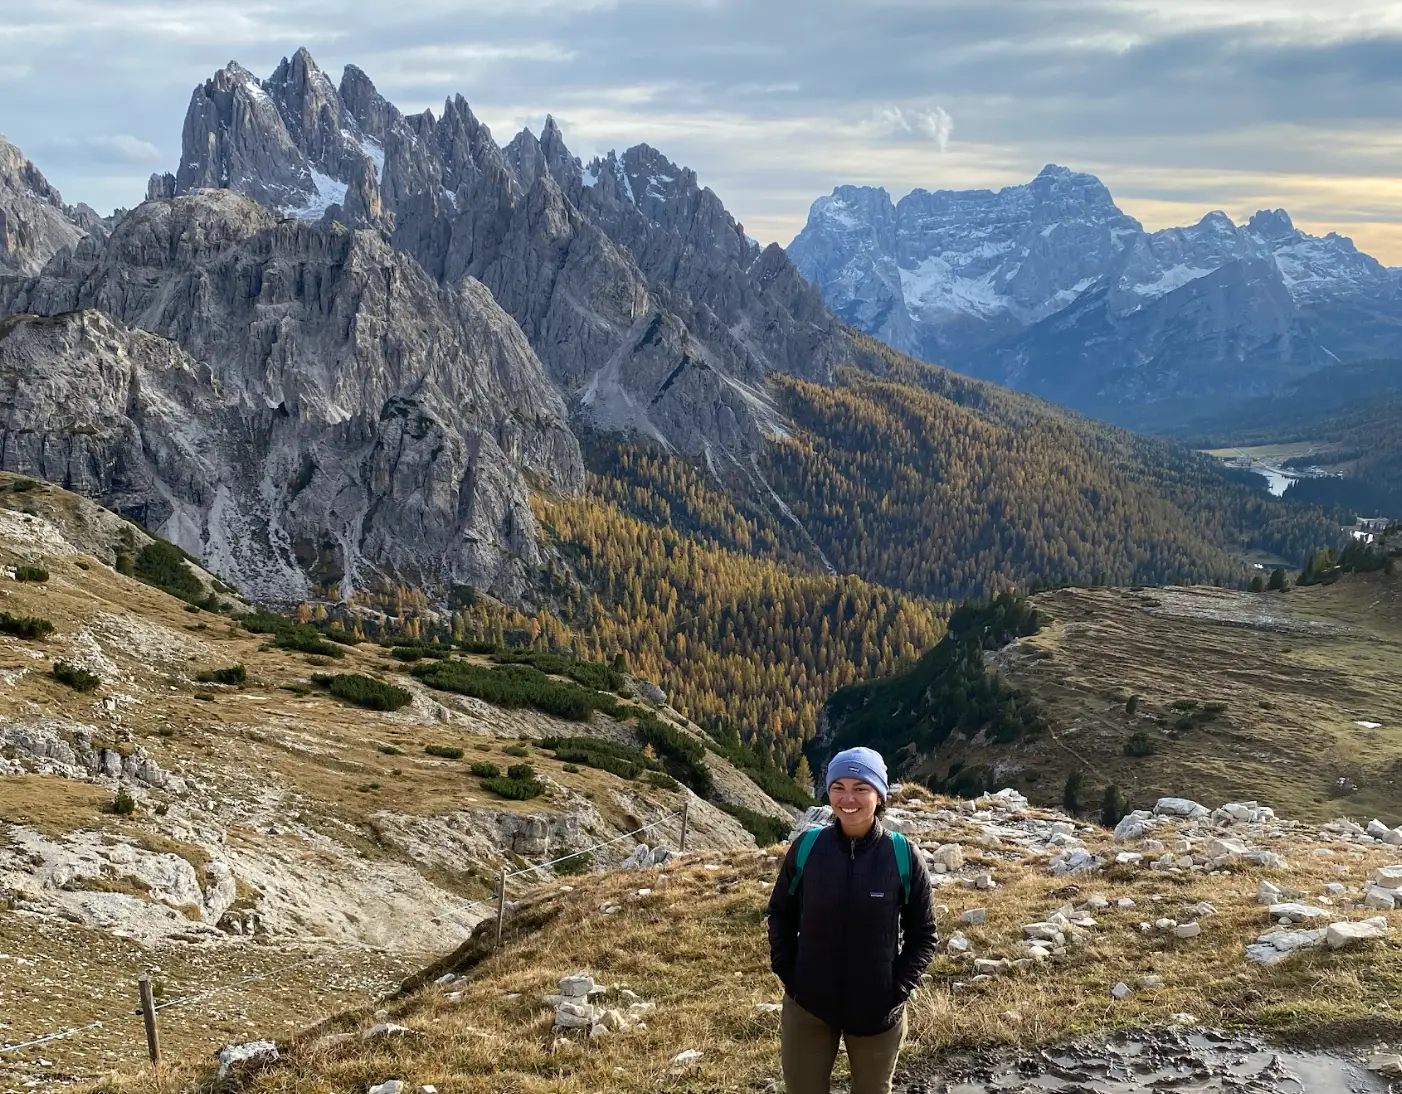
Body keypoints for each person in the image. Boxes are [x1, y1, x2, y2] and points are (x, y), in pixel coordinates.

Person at [766, 747, 937, 1094]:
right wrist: (790, 974)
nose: (847, 799)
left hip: (877, 1010)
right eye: (838, 787)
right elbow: (780, 914)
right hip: (808, 1006)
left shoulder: (902, 856)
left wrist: (897, 989)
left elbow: (924, 934)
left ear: (880, 795)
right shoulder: (807, 848)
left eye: (860, 788)